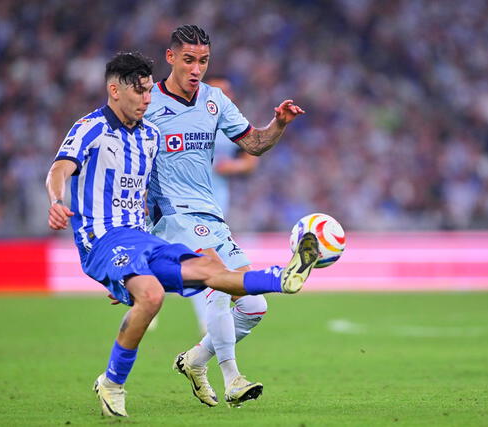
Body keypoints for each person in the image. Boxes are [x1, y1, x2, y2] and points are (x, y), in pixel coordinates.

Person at [45, 52, 319, 418]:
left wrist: (132, 269)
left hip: (145, 236)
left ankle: (281, 278)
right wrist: (56, 199)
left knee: (212, 272)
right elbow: (60, 168)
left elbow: (146, 196)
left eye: (147, 92)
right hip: (105, 236)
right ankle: (120, 382)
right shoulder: (90, 127)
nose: (146, 99)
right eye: (140, 92)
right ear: (115, 90)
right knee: (163, 293)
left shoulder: (149, 137)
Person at [144, 25, 306, 408]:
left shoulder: (214, 101)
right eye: (188, 60)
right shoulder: (148, 102)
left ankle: (196, 360)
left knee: (253, 306)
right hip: (171, 216)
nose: (196, 68)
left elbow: (255, 144)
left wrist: (279, 124)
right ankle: (233, 378)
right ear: (170, 58)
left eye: (203, 61)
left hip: (211, 215)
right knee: (218, 281)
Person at [187, 75, 259, 335]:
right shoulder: (186, 122)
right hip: (186, 208)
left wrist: (234, 166)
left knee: (207, 264)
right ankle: (208, 324)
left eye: (227, 91)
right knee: (203, 262)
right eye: (218, 91)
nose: (223, 96)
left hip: (218, 206)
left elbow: (251, 158)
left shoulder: (232, 126)